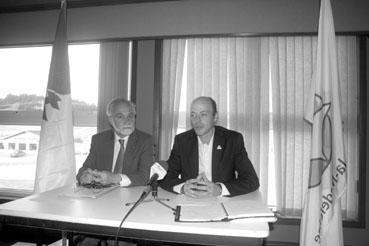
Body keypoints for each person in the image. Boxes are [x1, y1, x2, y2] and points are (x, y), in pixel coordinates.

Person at [160, 96, 259, 198]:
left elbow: (251, 180)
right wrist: (182, 188)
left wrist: (220, 189)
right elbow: (166, 177)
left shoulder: (232, 140)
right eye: (193, 115)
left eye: (203, 114)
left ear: (215, 117)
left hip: (223, 202)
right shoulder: (182, 141)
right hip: (191, 202)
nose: (197, 120)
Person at [76, 97, 153, 188]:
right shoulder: (99, 140)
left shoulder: (145, 141)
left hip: (130, 196)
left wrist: (115, 178)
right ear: (111, 120)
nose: (127, 121)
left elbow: (145, 177)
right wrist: (84, 177)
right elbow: (84, 169)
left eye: (130, 116)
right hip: (102, 195)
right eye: (120, 117)